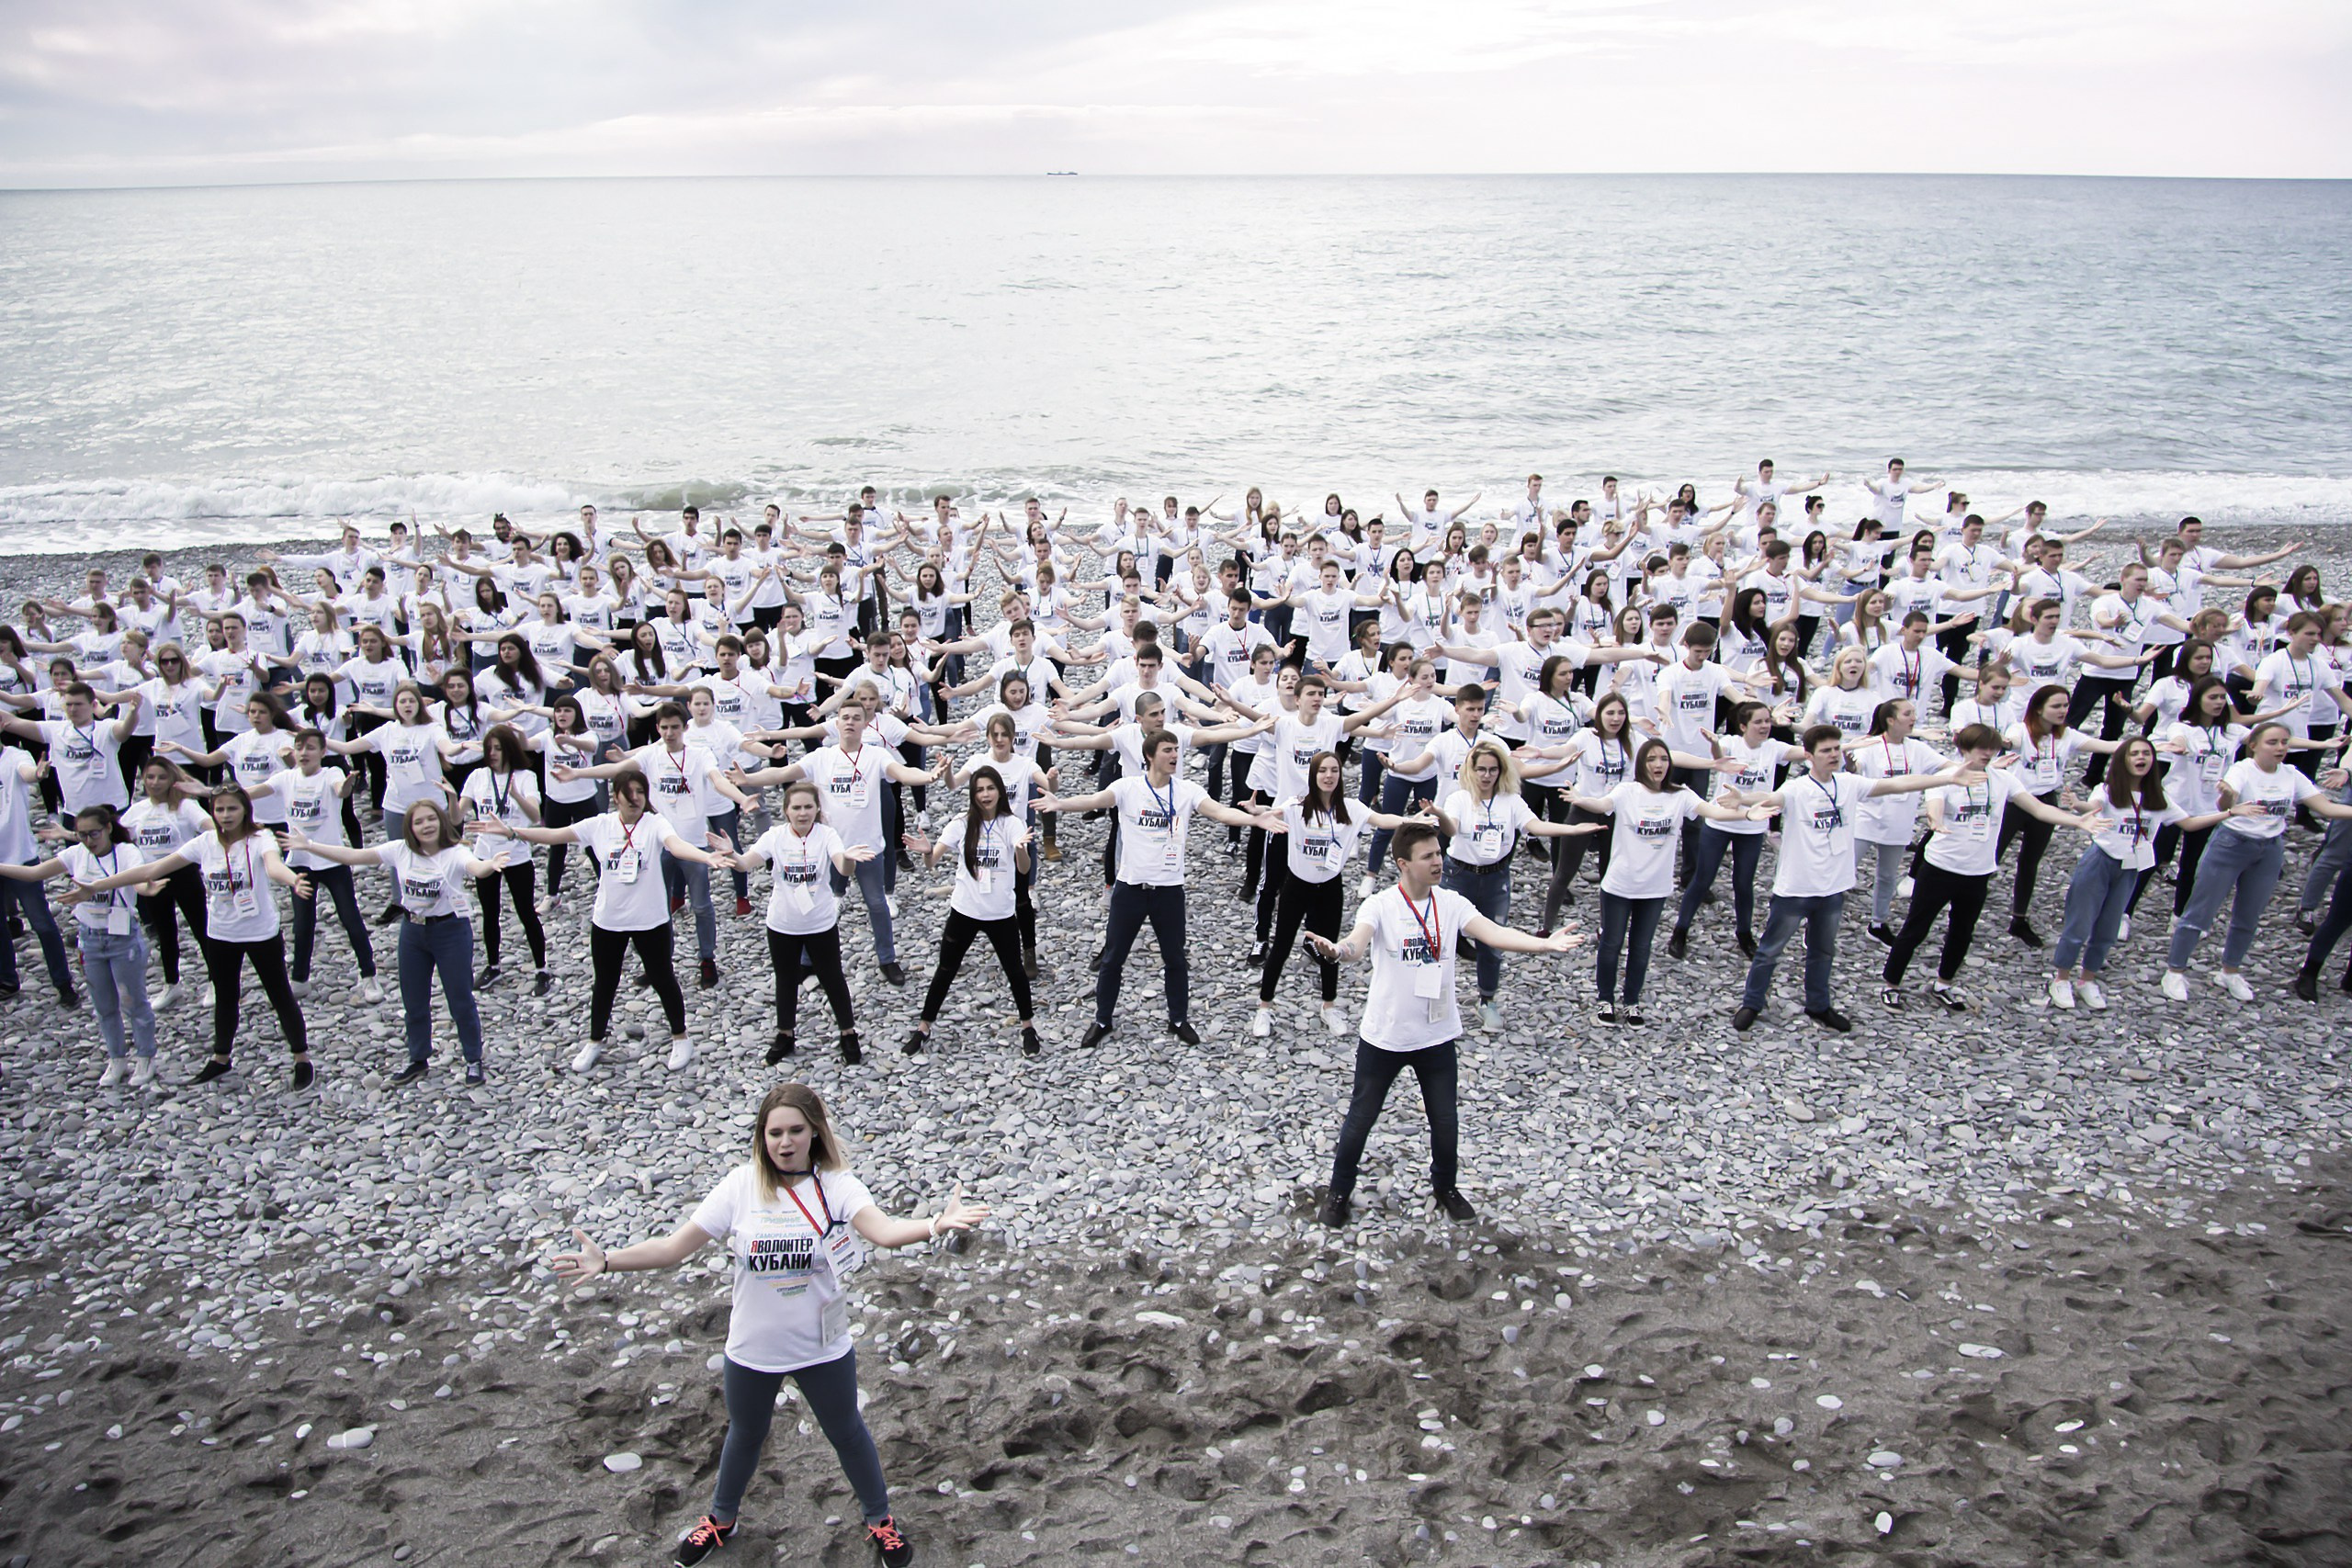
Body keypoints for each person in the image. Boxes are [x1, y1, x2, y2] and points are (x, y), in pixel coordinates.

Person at [549, 1082, 986, 1568]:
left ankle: (880, 1520)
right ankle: (721, 1519)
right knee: (745, 1433)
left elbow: (883, 1232)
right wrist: (607, 1260)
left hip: (822, 1348)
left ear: (814, 1133)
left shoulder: (837, 1185)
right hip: (753, 1349)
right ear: (762, 1136)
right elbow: (673, 1249)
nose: (785, 1142)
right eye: (774, 1132)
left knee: (847, 1432)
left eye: (796, 1130)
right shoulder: (741, 1186)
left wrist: (933, 1226)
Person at [1304, 819, 1577, 1227]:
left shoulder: (1450, 904)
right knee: (1361, 1117)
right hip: (1387, 1037)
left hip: (1437, 1035)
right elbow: (1356, 945)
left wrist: (1544, 944)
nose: (1439, 861)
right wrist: (1337, 951)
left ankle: (1445, 1187)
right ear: (1403, 864)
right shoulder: (1380, 905)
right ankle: (1339, 1191)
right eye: (1428, 855)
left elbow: (1495, 934)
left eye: (1439, 852)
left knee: (1445, 1119)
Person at [1037, 728, 1276, 1050]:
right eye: (1167, 750)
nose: (1175, 755)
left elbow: (1220, 812)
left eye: (1176, 749)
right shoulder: (1128, 787)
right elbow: (1094, 800)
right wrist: (1060, 803)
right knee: (1112, 960)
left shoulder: (1187, 790)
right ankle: (1103, 1020)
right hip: (1131, 889)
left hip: (1168, 891)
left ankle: (1178, 1019)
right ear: (1149, 756)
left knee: (1175, 959)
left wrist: (1255, 822)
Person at [1724, 725, 1974, 1032]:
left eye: (1836, 749)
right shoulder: (1797, 789)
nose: (1833, 755)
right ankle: (1752, 1002)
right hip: (1796, 888)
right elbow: (1771, 797)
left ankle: (1818, 1005)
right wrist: (1744, 799)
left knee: (1823, 950)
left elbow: (1899, 784)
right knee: (1770, 950)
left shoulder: (1850, 783)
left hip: (1833, 889)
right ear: (1809, 756)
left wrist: (1948, 777)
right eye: (1826, 751)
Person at [70, 784, 313, 1089]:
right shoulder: (205, 842)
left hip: (261, 931)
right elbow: (153, 869)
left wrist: (293, 880)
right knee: (226, 997)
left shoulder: (260, 838)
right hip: (221, 934)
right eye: (220, 809)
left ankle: (301, 1059)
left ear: (245, 811)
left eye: (232, 808)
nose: (225, 815)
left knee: (280, 994)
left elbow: (274, 866)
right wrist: (99, 886)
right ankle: (221, 1058)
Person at [500, 767, 728, 1072]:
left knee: (662, 977)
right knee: (605, 982)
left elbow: (675, 845)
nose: (635, 799)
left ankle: (681, 1036)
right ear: (615, 796)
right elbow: (555, 835)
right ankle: (595, 1040)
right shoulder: (600, 825)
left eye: (640, 792)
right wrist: (514, 832)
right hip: (608, 920)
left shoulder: (655, 823)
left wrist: (705, 857)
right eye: (628, 792)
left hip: (650, 920)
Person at [291, 802, 511, 1084]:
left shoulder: (455, 852)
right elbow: (353, 856)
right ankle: (418, 1058)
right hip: (413, 931)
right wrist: (309, 846)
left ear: (441, 822)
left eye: (432, 819)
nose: (427, 826)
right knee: (414, 1000)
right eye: (419, 822)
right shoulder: (399, 850)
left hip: (451, 931)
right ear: (410, 827)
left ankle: (473, 1059)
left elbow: (475, 868)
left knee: (460, 999)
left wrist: (490, 865)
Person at [1881, 725, 2091, 1011]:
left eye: (1992, 748)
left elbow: (2039, 809)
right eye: (1982, 748)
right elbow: (1935, 804)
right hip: (1941, 867)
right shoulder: (1946, 777)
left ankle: (1944, 983)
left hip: (1978, 872)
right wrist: (1936, 821)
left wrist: (2077, 821)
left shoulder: (2003, 779)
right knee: (1916, 928)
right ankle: (1891, 983)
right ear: (1964, 749)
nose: (1989, 753)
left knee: (1962, 931)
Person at [1249, 750, 1433, 1041]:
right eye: (1322, 771)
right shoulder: (1297, 805)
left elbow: (1382, 820)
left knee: (1330, 951)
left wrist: (1412, 820)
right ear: (1313, 775)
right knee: (1282, 946)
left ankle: (1329, 1006)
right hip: (1297, 885)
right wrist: (1256, 811)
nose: (1328, 776)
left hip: (1330, 888)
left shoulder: (1352, 809)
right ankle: (1264, 1007)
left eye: (1334, 770)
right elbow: (1273, 814)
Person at [2161, 722, 2352, 1002]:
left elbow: (2325, 807)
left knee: (2248, 917)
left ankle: (2230, 971)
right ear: (2254, 745)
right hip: (2231, 845)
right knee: (2200, 912)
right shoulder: (2242, 770)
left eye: (2285, 742)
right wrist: (2227, 794)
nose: (2280, 748)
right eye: (2272, 742)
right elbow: (2224, 804)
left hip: (2269, 849)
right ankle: (2175, 971)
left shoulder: (2291, 775)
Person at [2049, 735, 2243, 1010]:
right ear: (2123, 760)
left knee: (2108, 929)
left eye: (2146, 754)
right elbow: (2091, 807)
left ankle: (2087, 980)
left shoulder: (2159, 798)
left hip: (2130, 868)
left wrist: (2229, 813)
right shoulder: (2107, 790)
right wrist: (2077, 804)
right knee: (2079, 925)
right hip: (2101, 862)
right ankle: (2062, 978)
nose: (2141, 759)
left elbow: (2189, 823)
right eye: (2134, 754)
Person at [1567, 737, 1748, 1024]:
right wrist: (1580, 799)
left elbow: (1711, 811)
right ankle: (1605, 999)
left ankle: (1632, 1002)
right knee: (1612, 943)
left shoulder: (1681, 795)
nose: (1658, 765)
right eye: (1652, 759)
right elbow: (1603, 803)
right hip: (1620, 884)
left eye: (1663, 759)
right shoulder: (1628, 791)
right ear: (1642, 764)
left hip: (1655, 888)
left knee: (1641, 947)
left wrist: (1747, 812)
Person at [1439, 738, 1607, 1032]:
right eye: (1481, 769)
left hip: (1495, 878)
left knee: (1493, 942)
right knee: (1442, 938)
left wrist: (1573, 828)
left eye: (1492, 769)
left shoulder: (1511, 801)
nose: (1486, 775)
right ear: (1471, 771)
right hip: (1459, 876)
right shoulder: (1458, 799)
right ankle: (1438, 999)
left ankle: (1487, 1000)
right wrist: (1439, 817)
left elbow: (1535, 826)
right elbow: (1451, 827)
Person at [0, 805, 156, 1082]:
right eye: (81, 835)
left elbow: (139, 879)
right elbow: (35, 874)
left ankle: (145, 1056)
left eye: (93, 834)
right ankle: (117, 1058)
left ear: (108, 828)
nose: (88, 841)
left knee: (133, 1002)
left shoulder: (127, 852)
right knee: (104, 1005)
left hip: (123, 938)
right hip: (91, 939)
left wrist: (146, 888)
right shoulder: (76, 855)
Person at [903, 764, 1042, 1057]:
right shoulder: (961, 824)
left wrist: (1019, 849)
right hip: (964, 911)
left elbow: (1024, 869)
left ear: (999, 791)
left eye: (991, 788)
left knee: (1015, 971)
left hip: (1001, 914)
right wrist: (928, 851)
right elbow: (931, 863)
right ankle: (923, 1027)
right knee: (945, 969)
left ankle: (1028, 1026)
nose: (986, 794)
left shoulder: (1012, 824)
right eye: (979, 789)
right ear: (973, 794)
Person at [734, 780, 872, 1066]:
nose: (802, 813)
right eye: (796, 807)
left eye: (808, 807)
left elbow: (841, 865)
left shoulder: (827, 834)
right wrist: (731, 855)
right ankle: (785, 1034)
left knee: (832, 977)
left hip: (820, 922)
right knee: (785, 980)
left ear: (817, 808)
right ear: (786, 810)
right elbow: (746, 863)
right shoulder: (774, 837)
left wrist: (849, 860)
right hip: (782, 924)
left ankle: (848, 1033)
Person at [249, 728, 387, 1004]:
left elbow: (341, 790)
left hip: (333, 860)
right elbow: (252, 792)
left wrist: (349, 783)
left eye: (311, 747)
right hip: (301, 863)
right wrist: (213, 793)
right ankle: (300, 979)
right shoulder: (285, 778)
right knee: (302, 924)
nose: (304, 753)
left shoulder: (331, 774)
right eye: (299, 748)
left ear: (323, 752)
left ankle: (369, 974)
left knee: (350, 918)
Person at [457, 724, 552, 995]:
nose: (493, 753)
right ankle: (493, 966)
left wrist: (515, 795)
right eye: (489, 749)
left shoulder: (525, 776)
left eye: (498, 748)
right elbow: (456, 816)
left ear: (510, 749)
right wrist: (452, 798)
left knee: (526, 912)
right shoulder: (477, 776)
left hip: (517, 855)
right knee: (490, 913)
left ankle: (541, 968)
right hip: (485, 855)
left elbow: (535, 817)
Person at [119, 755, 211, 1009]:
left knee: (201, 928)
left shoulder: (185, 806)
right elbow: (114, 836)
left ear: (172, 779)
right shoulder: (137, 810)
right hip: (153, 876)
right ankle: (172, 984)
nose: (155, 782)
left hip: (184, 874)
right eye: (150, 777)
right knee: (165, 932)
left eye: (161, 777)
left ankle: (216, 980)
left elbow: (210, 827)